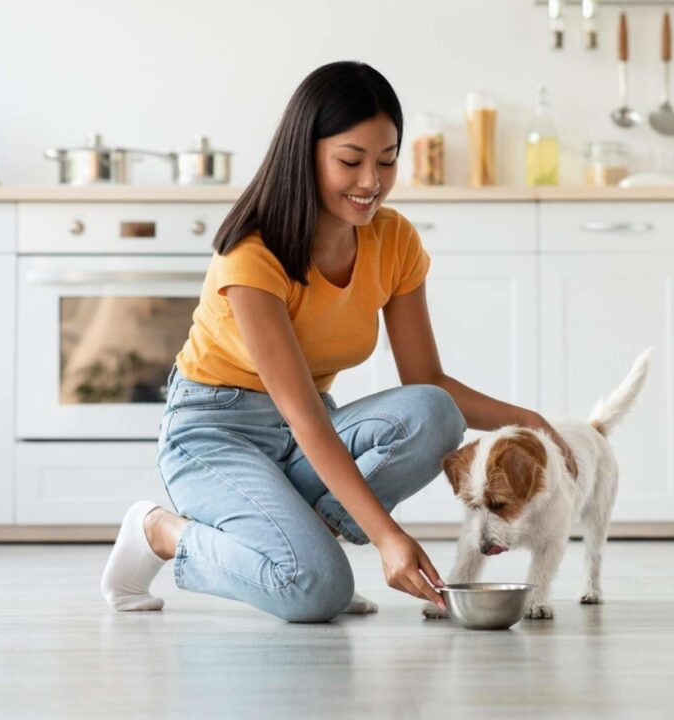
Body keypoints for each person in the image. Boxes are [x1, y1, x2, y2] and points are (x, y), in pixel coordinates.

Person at [99, 60, 563, 623]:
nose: (371, 182)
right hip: (215, 432)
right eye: (350, 161)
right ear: (307, 152)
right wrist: (389, 537)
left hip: (304, 433)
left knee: (434, 413)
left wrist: (533, 423)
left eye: (387, 160)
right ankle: (162, 533)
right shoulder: (253, 251)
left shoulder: (393, 241)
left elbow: (428, 383)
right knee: (316, 591)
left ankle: (305, 543)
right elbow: (306, 420)